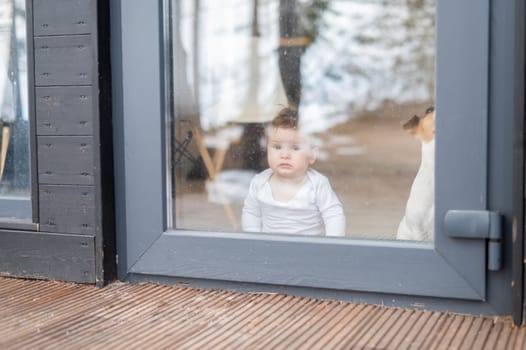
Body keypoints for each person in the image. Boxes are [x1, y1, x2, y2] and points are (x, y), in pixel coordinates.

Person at [242, 107, 346, 236]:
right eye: (277, 147)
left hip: (308, 251)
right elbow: (251, 213)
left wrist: (333, 246)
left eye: (295, 148)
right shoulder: (260, 182)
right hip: (270, 250)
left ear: (312, 155)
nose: (284, 154)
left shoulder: (317, 184)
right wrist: (254, 240)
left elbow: (333, 215)